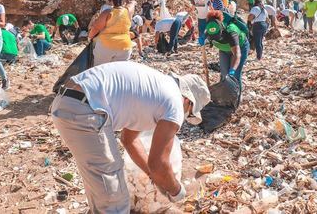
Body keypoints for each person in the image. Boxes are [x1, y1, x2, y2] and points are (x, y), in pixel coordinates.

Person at [51, 62, 211, 213]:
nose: (184, 116)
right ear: (188, 100)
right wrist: (176, 190)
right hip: (85, 108)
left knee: (99, 184)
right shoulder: (175, 101)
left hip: (67, 102)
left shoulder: (156, 89)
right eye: (189, 113)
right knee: (115, 197)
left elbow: (128, 140)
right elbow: (159, 164)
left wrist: (153, 176)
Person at [205, 10, 249, 92]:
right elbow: (205, 35)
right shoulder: (209, 28)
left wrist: (232, 70)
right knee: (225, 74)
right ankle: (226, 95)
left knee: (234, 75)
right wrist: (202, 39)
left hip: (240, 48)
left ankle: (236, 99)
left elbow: (237, 55)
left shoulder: (231, 32)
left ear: (221, 29)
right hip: (224, 49)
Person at [88, 0, 135, 66]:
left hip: (106, 45)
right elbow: (132, 5)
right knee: (118, 71)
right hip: (125, 46)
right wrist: (132, 2)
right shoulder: (128, 11)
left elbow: (96, 28)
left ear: (112, 2)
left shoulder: (107, 12)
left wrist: (90, 36)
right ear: (124, 2)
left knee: (99, 69)